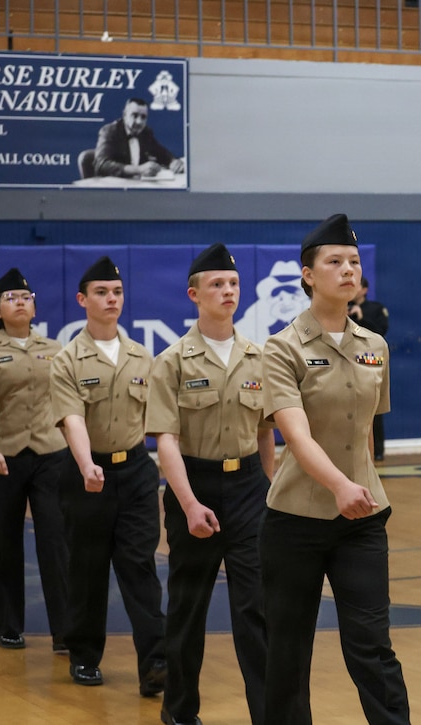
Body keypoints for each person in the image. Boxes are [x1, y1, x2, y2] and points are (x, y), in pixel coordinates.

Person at [260, 214, 410, 725]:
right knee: (288, 646)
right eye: (334, 262)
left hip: (362, 518)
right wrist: (340, 484)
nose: (348, 270)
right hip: (296, 519)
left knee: (371, 643)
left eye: (353, 262)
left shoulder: (375, 347)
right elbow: (295, 435)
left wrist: (359, 484)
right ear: (307, 275)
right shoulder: (281, 349)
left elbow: (365, 431)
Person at [146, 244, 274, 725]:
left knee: (255, 609)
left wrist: (269, 488)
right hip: (192, 487)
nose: (227, 292)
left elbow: (265, 432)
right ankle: (179, 712)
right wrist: (189, 504)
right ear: (194, 294)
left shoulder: (258, 356)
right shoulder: (173, 361)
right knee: (188, 607)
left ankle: (268, 713)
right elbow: (167, 441)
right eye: (217, 285)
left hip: (247, 489)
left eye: (233, 284)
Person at [49, 256, 167, 694]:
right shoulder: (67, 361)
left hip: (135, 471)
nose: (111, 299)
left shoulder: (141, 355)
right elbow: (71, 417)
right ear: (83, 300)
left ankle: (156, 663)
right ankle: (83, 655)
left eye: (116, 292)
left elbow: (157, 419)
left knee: (140, 566)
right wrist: (85, 464)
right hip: (85, 473)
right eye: (101, 292)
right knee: (88, 568)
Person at [0, 268, 70, 654]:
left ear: (35, 306)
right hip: (4, 456)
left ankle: (65, 630)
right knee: (5, 542)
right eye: (10, 298)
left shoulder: (55, 349)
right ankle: (9, 624)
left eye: (25, 297)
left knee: (55, 541)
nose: (19, 302)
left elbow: (68, 402)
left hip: (49, 453)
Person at [348, 277, 389, 461]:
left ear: (364, 290)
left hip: (369, 361)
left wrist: (362, 319)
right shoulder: (343, 309)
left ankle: (378, 450)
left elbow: (380, 332)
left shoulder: (375, 309)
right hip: (347, 361)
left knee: (374, 408)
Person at [94, 97, 185, 179]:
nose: (139, 121)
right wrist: (138, 169)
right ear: (125, 115)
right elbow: (101, 165)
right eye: (134, 115)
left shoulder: (145, 132)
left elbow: (161, 152)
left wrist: (173, 161)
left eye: (143, 117)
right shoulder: (109, 131)